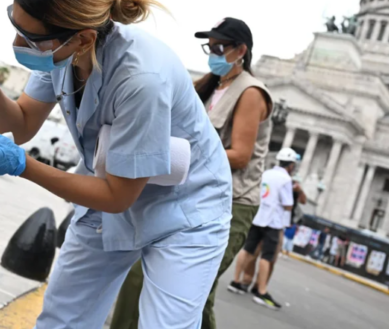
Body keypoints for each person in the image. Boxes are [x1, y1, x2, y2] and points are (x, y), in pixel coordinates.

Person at [0, 0, 232, 329]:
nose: (17, 42)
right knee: (61, 319)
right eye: (16, 26)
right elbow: (22, 124)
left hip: (185, 208)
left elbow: (117, 196)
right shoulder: (62, 52)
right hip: (109, 187)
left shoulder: (141, 78)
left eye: (30, 38)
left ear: (83, 38)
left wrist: (23, 165)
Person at [109, 17, 273, 329]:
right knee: (141, 276)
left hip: (232, 203)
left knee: (193, 292)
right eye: (209, 47)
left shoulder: (250, 92)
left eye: (219, 48)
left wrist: (177, 155)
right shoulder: (210, 85)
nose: (212, 54)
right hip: (189, 194)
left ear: (241, 51)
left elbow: (240, 156)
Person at [228, 148, 297, 310]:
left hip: (258, 217)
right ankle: (261, 291)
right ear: (291, 165)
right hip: (272, 222)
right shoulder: (286, 179)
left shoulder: (266, 173)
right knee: (267, 256)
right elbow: (288, 204)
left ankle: (236, 281)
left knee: (247, 250)